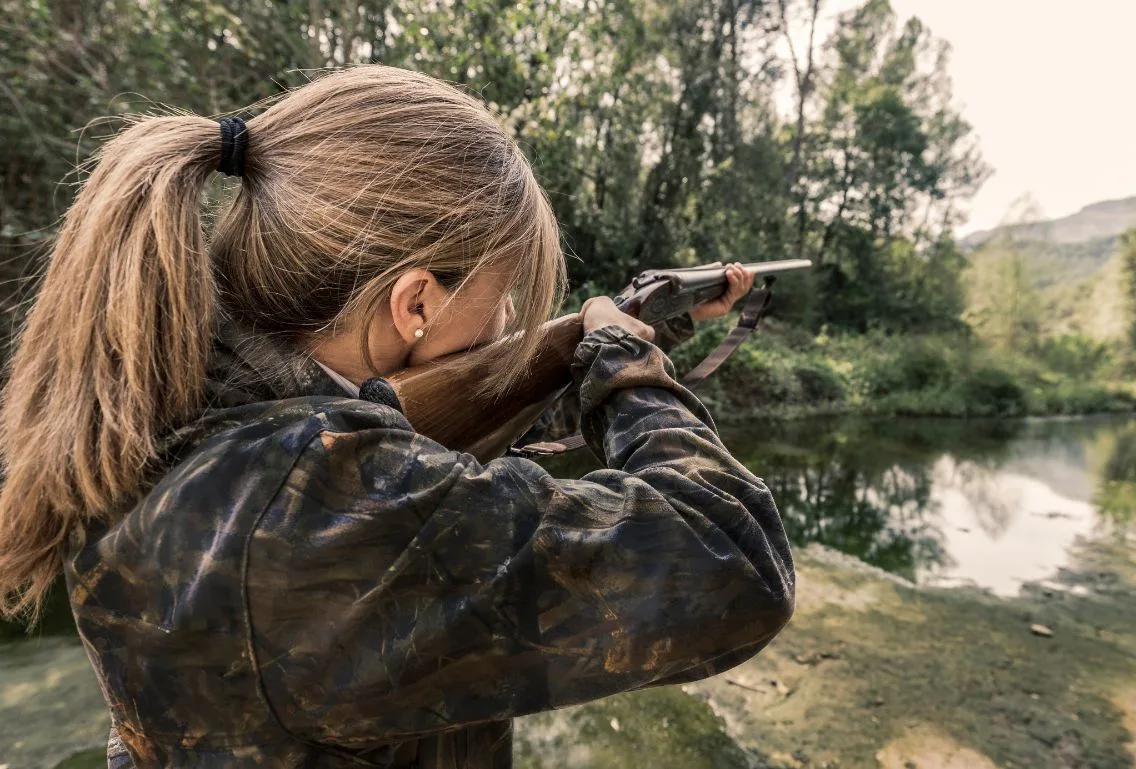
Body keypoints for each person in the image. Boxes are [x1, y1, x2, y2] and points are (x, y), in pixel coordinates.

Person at [0, 65, 795, 768]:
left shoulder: (168, 397)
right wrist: (624, 360)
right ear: (415, 301)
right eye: (505, 295)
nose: (513, 322)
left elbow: (424, 418)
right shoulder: (328, 502)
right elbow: (737, 557)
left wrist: (645, 327)